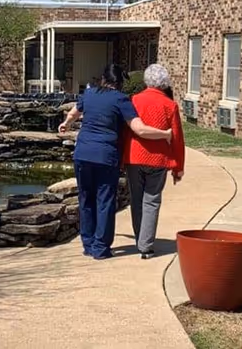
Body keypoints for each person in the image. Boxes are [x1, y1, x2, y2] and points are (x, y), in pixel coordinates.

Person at [58, 64, 173, 260]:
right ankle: (101, 248)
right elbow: (140, 129)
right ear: (119, 82)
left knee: (85, 198)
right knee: (104, 200)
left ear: (103, 79)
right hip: (105, 156)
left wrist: (65, 124)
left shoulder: (89, 94)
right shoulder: (121, 99)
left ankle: (88, 244)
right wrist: (165, 134)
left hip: (82, 154)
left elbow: (73, 113)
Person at [122, 64, 185, 259]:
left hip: (134, 157)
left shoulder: (135, 100)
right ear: (165, 82)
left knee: (137, 200)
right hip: (158, 160)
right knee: (152, 201)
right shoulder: (170, 105)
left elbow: (126, 131)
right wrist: (178, 167)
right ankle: (146, 245)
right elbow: (177, 137)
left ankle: (140, 238)